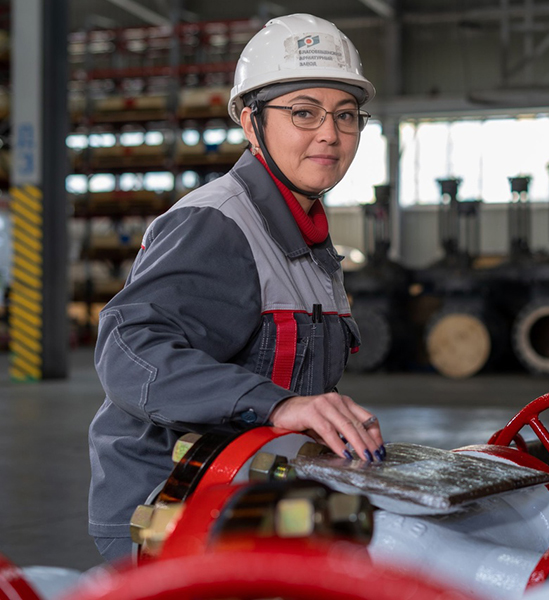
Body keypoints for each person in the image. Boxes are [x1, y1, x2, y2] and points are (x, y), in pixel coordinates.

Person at [88, 14, 384, 563]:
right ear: (251, 124)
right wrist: (279, 406)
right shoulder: (217, 223)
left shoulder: (311, 239)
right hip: (169, 507)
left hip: (258, 488)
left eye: (346, 116)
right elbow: (129, 352)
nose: (330, 133)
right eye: (303, 113)